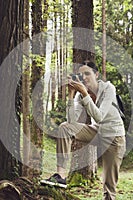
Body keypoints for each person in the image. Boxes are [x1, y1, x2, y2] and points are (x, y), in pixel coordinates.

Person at [42, 61, 126, 200]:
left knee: (109, 186)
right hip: (97, 132)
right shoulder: (80, 95)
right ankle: (61, 176)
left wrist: (84, 93)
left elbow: (99, 116)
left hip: (114, 137)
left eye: (87, 73)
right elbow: (71, 121)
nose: (84, 77)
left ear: (96, 74)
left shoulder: (108, 88)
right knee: (65, 128)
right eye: (81, 75)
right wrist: (71, 94)